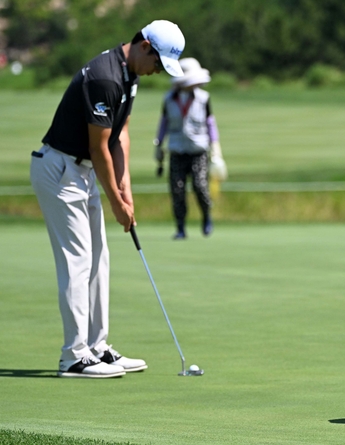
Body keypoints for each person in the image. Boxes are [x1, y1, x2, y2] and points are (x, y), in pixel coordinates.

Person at [30, 20, 186, 378]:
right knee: (78, 261)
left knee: (99, 259)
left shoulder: (128, 75)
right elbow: (98, 147)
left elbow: (121, 135)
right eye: (158, 63)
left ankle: (96, 347)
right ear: (144, 45)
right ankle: (73, 355)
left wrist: (125, 186)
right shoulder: (105, 77)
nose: (157, 72)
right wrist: (116, 200)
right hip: (59, 170)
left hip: (81, 172)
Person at [154, 57, 227, 240]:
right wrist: (158, 144)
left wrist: (216, 148)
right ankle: (180, 227)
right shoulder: (169, 99)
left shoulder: (204, 98)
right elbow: (164, 123)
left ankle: (206, 217)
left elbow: (211, 124)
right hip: (177, 151)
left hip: (198, 151)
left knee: (200, 186)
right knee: (177, 190)